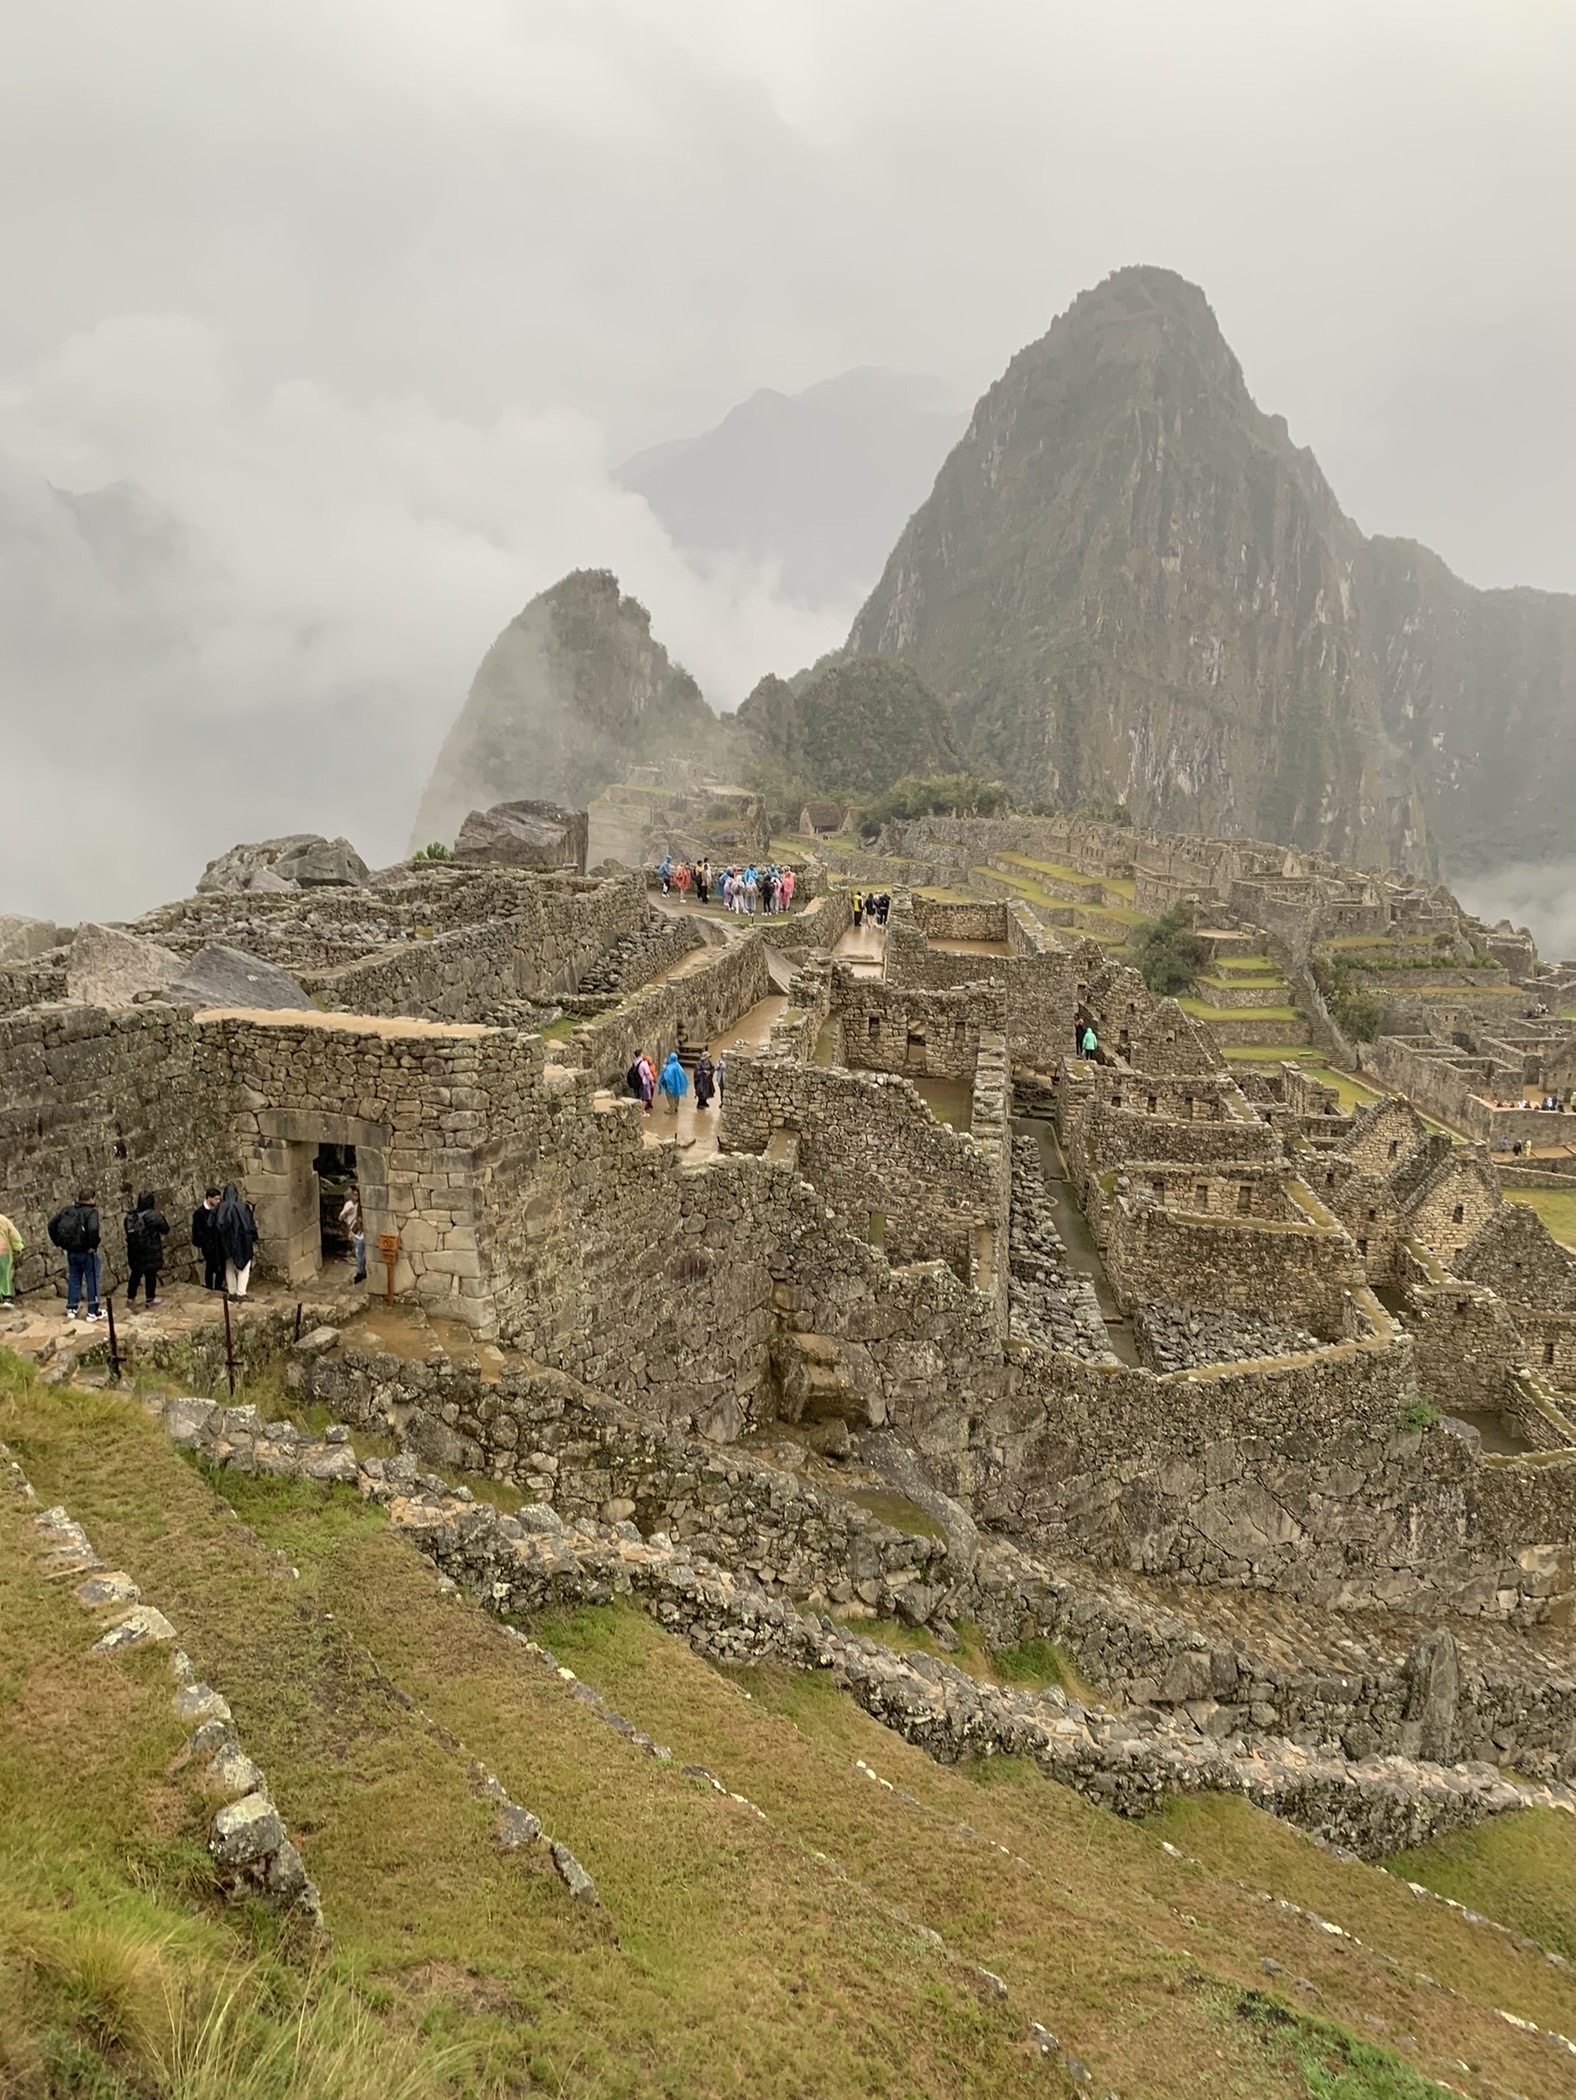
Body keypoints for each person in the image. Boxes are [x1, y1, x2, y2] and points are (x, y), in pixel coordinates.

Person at [48, 1190, 102, 1322]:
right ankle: (92, 1312)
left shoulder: (68, 1210)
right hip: (86, 1253)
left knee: (74, 1279)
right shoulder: (92, 1212)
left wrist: (59, 1243)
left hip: (72, 1252)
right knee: (92, 1280)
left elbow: (51, 1224)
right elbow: (93, 1229)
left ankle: (72, 1308)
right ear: (91, 1199)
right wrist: (93, 1246)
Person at [123, 1191, 169, 1307]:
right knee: (150, 1274)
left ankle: (130, 1298)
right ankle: (150, 1298)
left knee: (135, 1274)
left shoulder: (130, 1217)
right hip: (150, 1249)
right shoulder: (153, 1215)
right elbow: (165, 1229)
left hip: (134, 1251)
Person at [214, 1183, 259, 1300]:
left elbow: (213, 1225)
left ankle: (232, 1291)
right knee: (244, 1268)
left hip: (225, 1243)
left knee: (228, 1266)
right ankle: (241, 1292)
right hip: (241, 1241)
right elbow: (250, 1225)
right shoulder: (242, 1207)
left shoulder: (220, 1208)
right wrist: (253, 1237)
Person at [192, 1187, 225, 1291]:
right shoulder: (200, 1213)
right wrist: (206, 1242)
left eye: (219, 1199)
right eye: (216, 1199)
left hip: (218, 1243)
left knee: (221, 1265)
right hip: (209, 1244)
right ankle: (209, 1287)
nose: (218, 1201)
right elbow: (197, 1231)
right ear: (209, 1198)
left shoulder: (218, 1210)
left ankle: (218, 1286)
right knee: (210, 1266)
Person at [339, 1187, 366, 1283]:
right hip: (354, 1231)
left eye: (357, 1195)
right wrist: (346, 1213)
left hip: (361, 1233)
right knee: (358, 1253)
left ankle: (360, 1272)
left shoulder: (362, 1206)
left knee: (359, 1253)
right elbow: (340, 1217)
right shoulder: (348, 1205)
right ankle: (362, 1270)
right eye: (353, 1195)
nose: (355, 1197)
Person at [0, 1210, 22, 1306]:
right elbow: (14, 1234)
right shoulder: (3, 1220)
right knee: (4, 1275)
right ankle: (6, 1298)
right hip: (3, 1251)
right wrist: (18, 1246)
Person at [657, 1049, 689, 1114]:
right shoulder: (678, 1066)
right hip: (677, 1085)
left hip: (670, 1085)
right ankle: (676, 1107)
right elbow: (683, 1075)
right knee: (676, 1096)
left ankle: (672, 1109)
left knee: (670, 1096)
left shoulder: (669, 1067)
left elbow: (666, 1076)